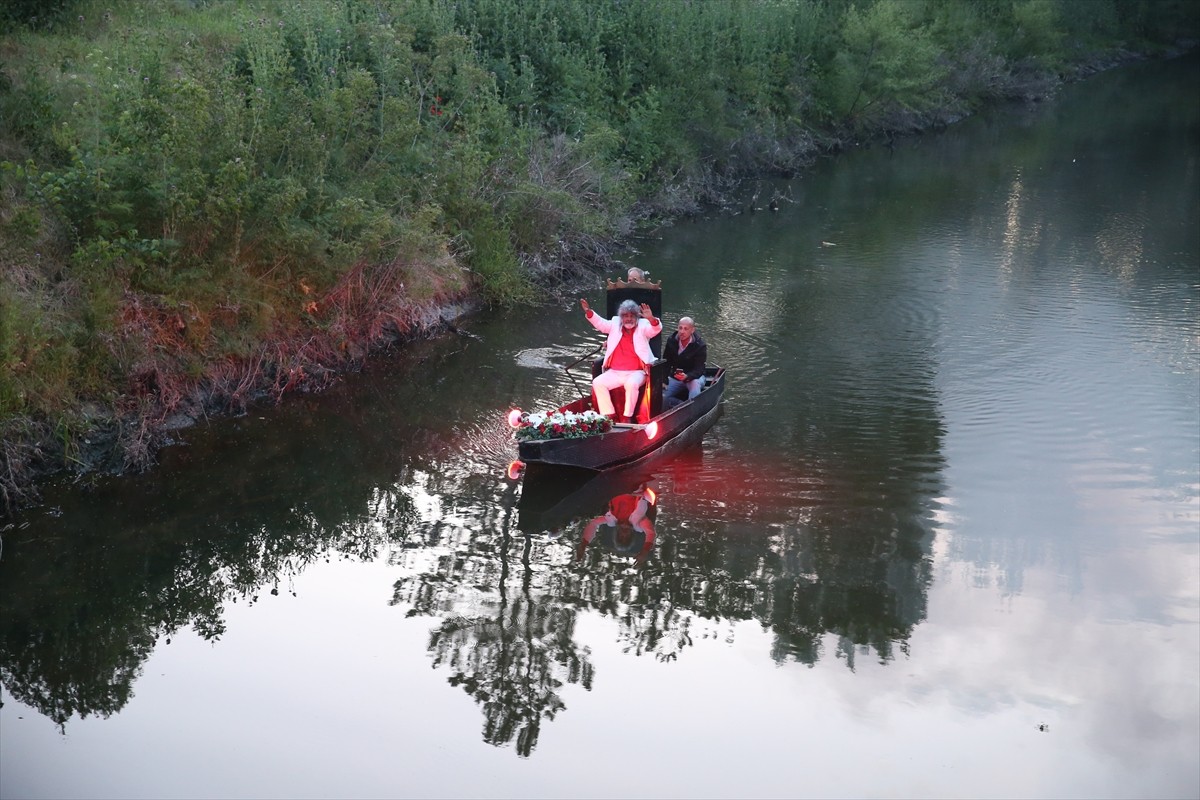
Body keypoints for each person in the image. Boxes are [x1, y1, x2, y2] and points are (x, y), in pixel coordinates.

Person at [581, 297, 662, 423]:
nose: (628, 318)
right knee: (598, 382)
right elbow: (601, 324)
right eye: (625, 316)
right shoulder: (615, 323)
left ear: (637, 316)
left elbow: (654, 330)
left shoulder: (643, 325)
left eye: (631, 315)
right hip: (615, 371)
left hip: (638, 372)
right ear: (621, 317)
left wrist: (651, 319)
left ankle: (626, 417)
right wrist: (589, 312)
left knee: (631, 384)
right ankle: (608, 416)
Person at [576, 487, 657, 564]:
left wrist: (583, 544)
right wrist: (645, 550)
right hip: (635, 487)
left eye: (621, 537)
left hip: (614, 486)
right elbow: (651, 533)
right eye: (627, 537)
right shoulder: (639, 523)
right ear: (631, 535)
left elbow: (593, 524)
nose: (624, 533)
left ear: (617, 534)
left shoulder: (610, 519)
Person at [662, 316, 706, 409]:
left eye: (686, 329)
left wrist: (687, 376)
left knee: (695, 386)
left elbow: (699, 369)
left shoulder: (700, 345)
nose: (682, 331)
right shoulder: (671, 340)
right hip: (675, 377)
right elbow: (666, 362)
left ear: (692, 330)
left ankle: (692, 412)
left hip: (694, 377)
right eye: (680, 328)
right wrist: (664, 379)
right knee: (662, 397)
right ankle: (682, 405)